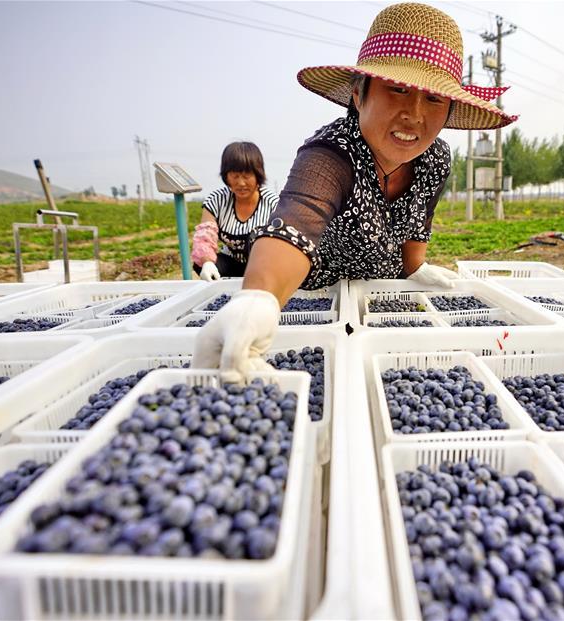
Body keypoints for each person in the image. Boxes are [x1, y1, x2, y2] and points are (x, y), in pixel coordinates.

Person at [193, 2, 517, 379]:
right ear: (358, 94)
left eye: (433, 99)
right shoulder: (332, 151)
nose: (414, 113)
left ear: (448, 111)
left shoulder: (434, 158)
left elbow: (417, 227)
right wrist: (258, 299)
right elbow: (298, 216)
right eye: (397, 89)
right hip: (315, 303)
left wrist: (416, 269)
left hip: (381, 300)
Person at [191, 142, 279, 280]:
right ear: (226, 176)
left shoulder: (272, 203)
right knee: (201, 264)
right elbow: (205, 236)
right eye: (235, 176)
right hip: (231, 262)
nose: (241, 183)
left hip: (262, 265)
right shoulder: (217, 200)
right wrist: (207, 262)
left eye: (247, 176)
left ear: (258, 175)